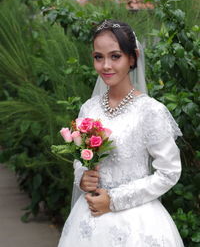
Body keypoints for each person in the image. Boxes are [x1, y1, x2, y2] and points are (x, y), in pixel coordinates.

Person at [58, 20, 184, 246]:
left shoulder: (150, 111)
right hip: (89, 219)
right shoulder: (89, 108)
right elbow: (81, 158)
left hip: (137, 223)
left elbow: (169, 172)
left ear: (132, 58)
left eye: (115, 56)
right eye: (99, 57)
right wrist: (82, 177)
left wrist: (114, 200)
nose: (106, 65)